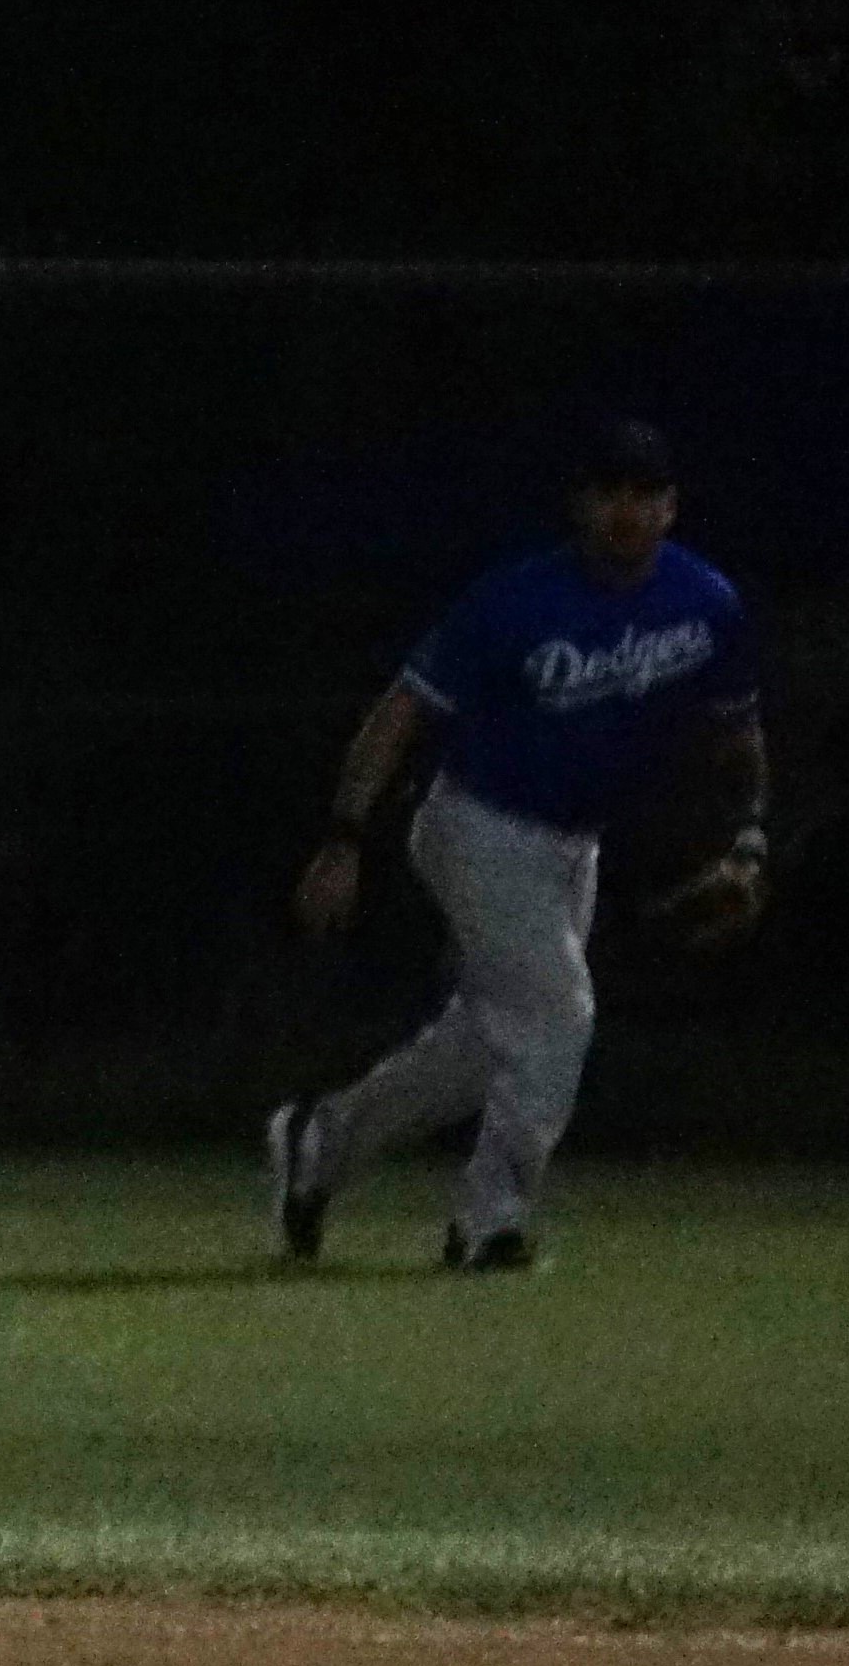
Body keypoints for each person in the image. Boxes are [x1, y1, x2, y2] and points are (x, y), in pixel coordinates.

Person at [267, 418, 767, 1272]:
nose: (626, 510)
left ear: (671, 507)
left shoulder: (705, 603)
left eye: (644, 493)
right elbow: (399, 713)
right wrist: (344, 836)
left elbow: (736, 732)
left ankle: (317, 1144)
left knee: (482, 1044)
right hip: (476, 827)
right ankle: (488, 1222)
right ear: (579, 505)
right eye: (608, 491)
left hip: (574, 845)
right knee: (559, 1016)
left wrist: (749, 841)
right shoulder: (516, 600)